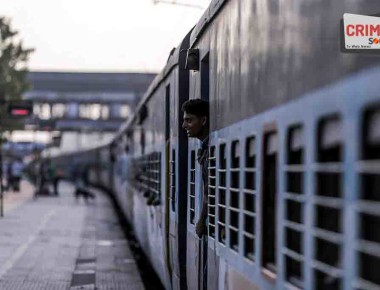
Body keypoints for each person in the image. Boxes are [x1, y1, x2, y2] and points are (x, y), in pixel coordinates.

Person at [182, 99, 209, 238]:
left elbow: (209, 192)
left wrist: (201, 221)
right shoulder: (205, 148)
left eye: (189, 120)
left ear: (203, 120)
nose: (184, 125)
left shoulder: (209, 152)